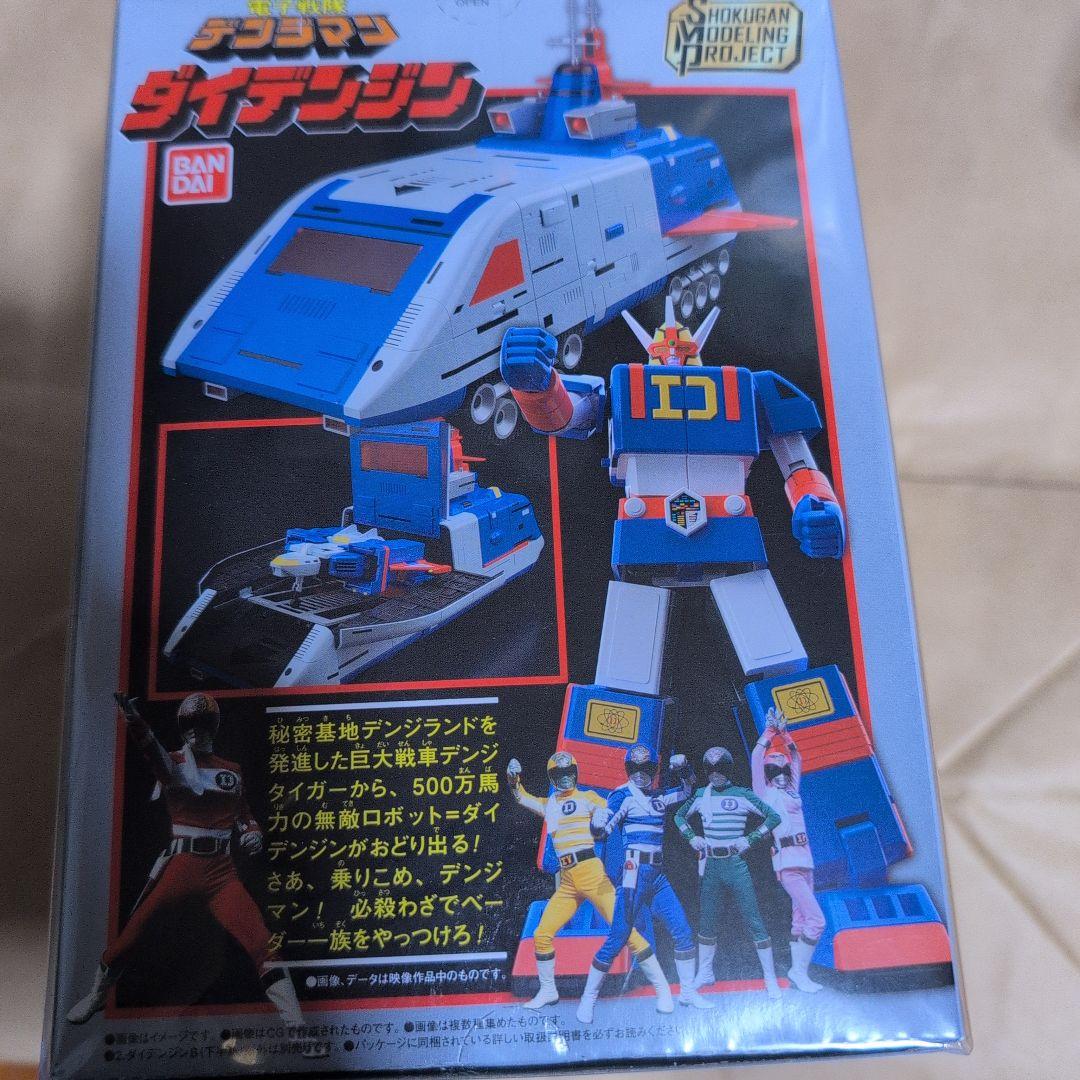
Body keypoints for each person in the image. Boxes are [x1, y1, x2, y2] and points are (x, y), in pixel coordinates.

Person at [67, 693, 324, 1056]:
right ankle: (97, 995)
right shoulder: (174, 764)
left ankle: (297, 1030)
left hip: (221, 872)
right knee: (130, 938)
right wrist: (135, 721)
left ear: (212, 727)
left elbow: (244, 815)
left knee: (263, 945)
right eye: (189, 725)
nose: (195, 732)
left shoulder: (231, 770)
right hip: (181, 867)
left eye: (201, 725)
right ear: (182, 727)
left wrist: (253, 833)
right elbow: (153, 753)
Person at [507, 750, 673, 1013]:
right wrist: (513, 780)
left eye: (568, 773)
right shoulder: (549, 804)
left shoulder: (588, 797)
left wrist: (602, 816)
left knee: (626, 932)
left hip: (591, 873)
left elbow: (612, 810)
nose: (565, 779)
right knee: (542, 934)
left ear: (575, 774)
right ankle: (548, 990)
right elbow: (521, 797)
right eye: (559, 775)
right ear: (552, 778)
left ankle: (662, 990)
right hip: (568, 879)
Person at [576, 745, 714, 1023]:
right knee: (618, 937)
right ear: (628, 769)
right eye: (634, 769)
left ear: (654, 770)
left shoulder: (659, 796)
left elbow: (688, 791)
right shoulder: (621, 796)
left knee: (683, 931)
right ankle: (588, 999)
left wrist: (684, 768)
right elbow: (604, 830)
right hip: (633, 874)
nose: (640, 774)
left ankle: (687, 993)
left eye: (646, 769)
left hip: (657, 876)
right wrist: (595, 824)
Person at [675, 746, 783, 998]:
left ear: (728, 769)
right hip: (712, 865)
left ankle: (770, 978)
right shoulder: (701, 794)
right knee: (707, 920)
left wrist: (751, 838)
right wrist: (692, 837)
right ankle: (705, 972)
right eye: (711, 769)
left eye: (720, 768)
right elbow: (679, 817)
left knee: (753, 919)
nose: (715, 774)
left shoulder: (742, 794)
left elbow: (773, 817)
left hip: (735, 863)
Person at [751, 708, 826, 993]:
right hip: (786, 864)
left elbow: (796, 759)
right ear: (768, 774)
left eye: (783, 771)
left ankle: (798, 976)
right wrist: (770, 732)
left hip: (806, 860)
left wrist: (786, 735)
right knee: (817, 921)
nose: (781, 775)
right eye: (775, 771)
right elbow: (756, 758)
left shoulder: (792, 790)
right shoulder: (764, 793)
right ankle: (798, 972)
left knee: (801, 920)